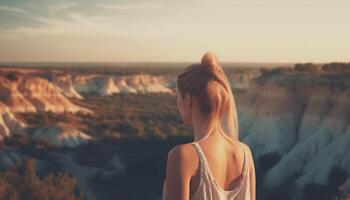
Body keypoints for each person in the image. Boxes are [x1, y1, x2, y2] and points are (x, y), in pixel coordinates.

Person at [162, 52, 256, 200]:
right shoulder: (245, 154)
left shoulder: (182, 156)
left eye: (178, 96)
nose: (177, 102)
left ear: (187, 99)